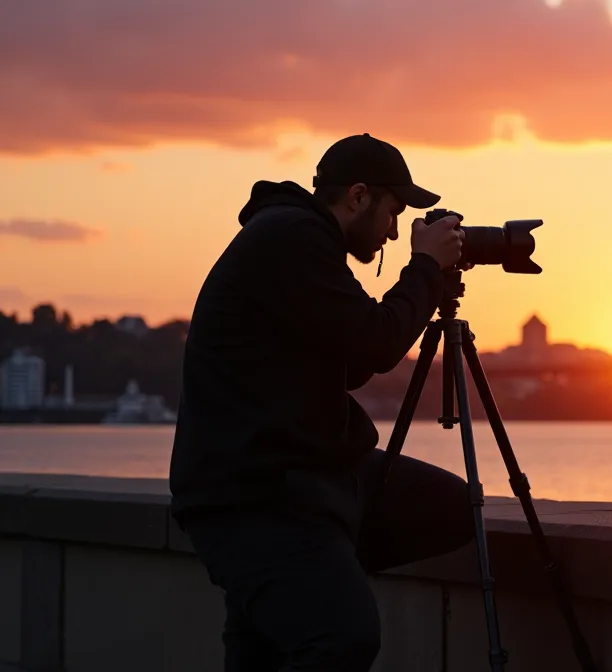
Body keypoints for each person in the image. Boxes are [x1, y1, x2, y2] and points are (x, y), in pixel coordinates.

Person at [169, 133, 477, 671]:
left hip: (308, 475)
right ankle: (308, 578)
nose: (395, 231)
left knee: (452, 508)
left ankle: (307, 578)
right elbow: (377, 344)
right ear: (358, 196)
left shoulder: (300, 242)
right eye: (394, 211)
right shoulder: (293, 238)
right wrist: (425, 269)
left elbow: (353, 360)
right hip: (255, 492)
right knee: (342, 636)